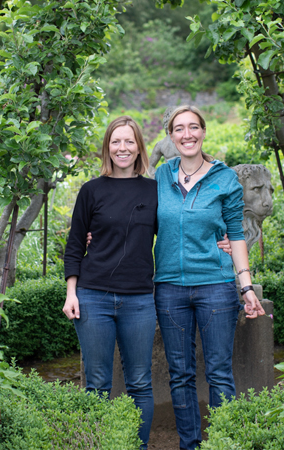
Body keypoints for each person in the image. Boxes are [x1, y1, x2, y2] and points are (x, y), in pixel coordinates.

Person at [63, 116, 232, 449]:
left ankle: (137, 446)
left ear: (139, 147)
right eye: (116, 142)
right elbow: (73, 245)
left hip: (139, 300)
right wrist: (72, 293)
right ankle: (99, 444)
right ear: (107, 148)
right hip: (93, 297)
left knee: (140, 383)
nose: (122, 148)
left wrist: (219, 239)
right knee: (97, 384)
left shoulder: (154, 190)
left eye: (129, 142)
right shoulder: (90, 191)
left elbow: (178, 226)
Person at [153, 105, 265, 450]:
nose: (187, 135)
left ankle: (224, 442)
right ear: (171, 136)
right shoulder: (161, 176)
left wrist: (245, 285)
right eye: (179, 129)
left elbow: (236, 232)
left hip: (215, 287)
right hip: (169, 288)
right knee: (181, 374)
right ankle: (190, 444)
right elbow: (138, 218)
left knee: (218, 373)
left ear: (203, 133)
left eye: (193, 127)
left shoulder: (224, 178)